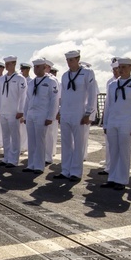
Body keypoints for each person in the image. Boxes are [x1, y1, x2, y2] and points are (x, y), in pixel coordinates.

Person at [101, 58, 131, 190]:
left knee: (124, 152)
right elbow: (108, 105)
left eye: (124, 67)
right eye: (120, 67)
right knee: (113, 151)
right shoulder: (112, 85)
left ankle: (121, 180)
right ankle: (112, 177)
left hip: (126, 122)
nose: (121, 70)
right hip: (113, 122)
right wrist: (105, 123)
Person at [55, 50, 98, 181]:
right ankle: (65, 170)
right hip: (66, 112)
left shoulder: (87, 73)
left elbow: (92, 94)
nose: (69, 63)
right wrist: (59, 110)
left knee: (79, 144)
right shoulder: (65, 75)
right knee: (66, 143)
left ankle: (76, 172)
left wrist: (89, 112)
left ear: (78, 59)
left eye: (72, 60)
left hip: (79, 112)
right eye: (68, 60)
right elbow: (63, 95)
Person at [23, 59, 59, 174]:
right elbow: (27, 100)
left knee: (40, 140)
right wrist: (25, 114)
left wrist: (50, 116)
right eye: (35, 67)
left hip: (42, 114)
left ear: (44, 67)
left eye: (38, 67)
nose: (36, 69)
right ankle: (31, 164)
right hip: (31, 114)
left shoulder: (51, 81)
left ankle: (39, 165)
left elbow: (54, 100)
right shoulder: (31, 82)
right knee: (32, 140)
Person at [0, 56, 27, 168]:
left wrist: (21, 110)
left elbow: (23, 96)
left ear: (14, 64)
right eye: (6, 64)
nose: (6, 66)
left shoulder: (20, 78)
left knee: (15, 136)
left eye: (9, 63)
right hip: (3, 111)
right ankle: (6, 157)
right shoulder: (2, 79)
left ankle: (13, 159)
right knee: (5, 136)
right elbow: (0, 96)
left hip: (14, 112)